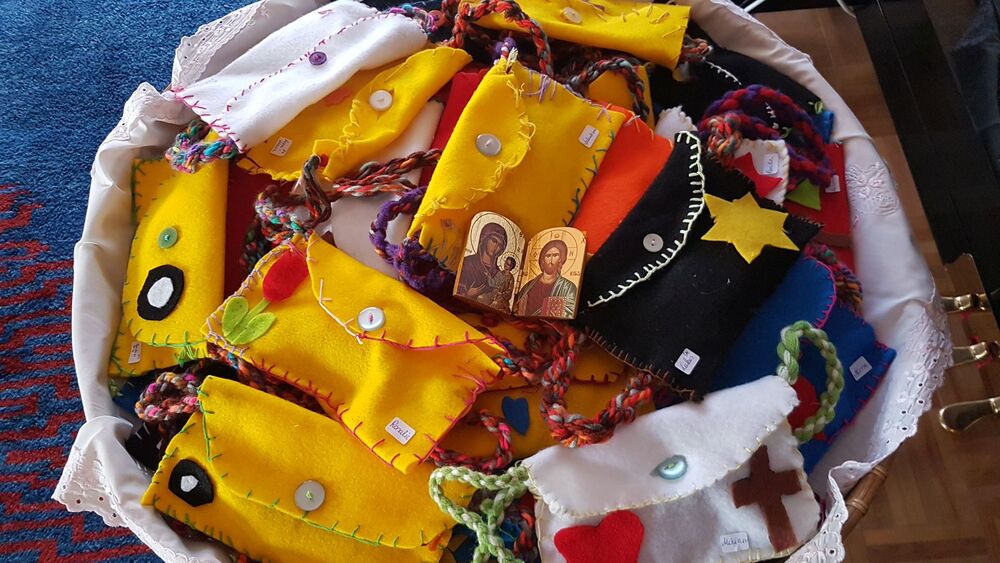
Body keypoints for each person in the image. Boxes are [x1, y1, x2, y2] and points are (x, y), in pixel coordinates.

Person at [514, 239, 578, 318]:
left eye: (555, 255)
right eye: (548, 256)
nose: (551, 260)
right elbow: (517, 308)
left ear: (560, 259)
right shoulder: (528, 287)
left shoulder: (568, 287)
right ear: (543, 260)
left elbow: (569, 311)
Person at [456, 222, 507, 305]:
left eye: (500, 245)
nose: (496, 247)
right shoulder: (468, 263)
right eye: (494, 241)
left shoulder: (498, 273)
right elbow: (457, 290)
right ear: (485, 239)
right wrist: (468, 294)